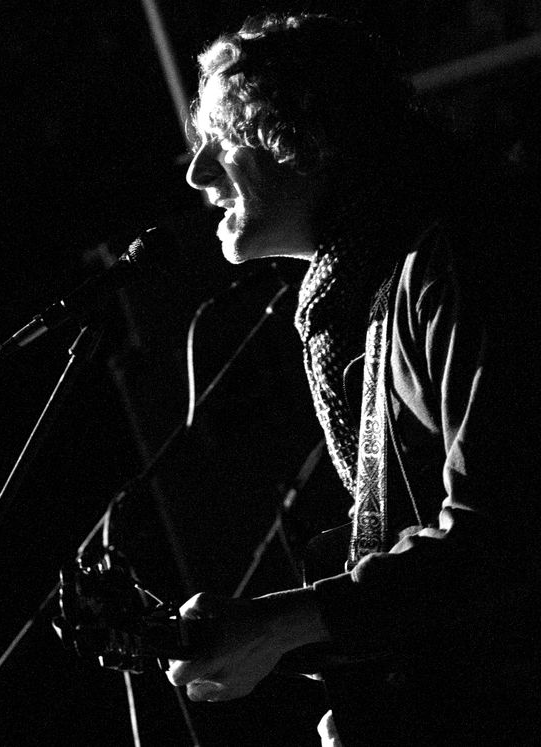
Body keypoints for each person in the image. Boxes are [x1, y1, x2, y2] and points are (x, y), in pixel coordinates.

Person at [166, 12, 541, 746]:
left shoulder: (462, 257)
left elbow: (504, 534)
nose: (197, 172)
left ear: (304, 138)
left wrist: (278, 624)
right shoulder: (378, 296)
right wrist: (295, 650)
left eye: (222, 137)